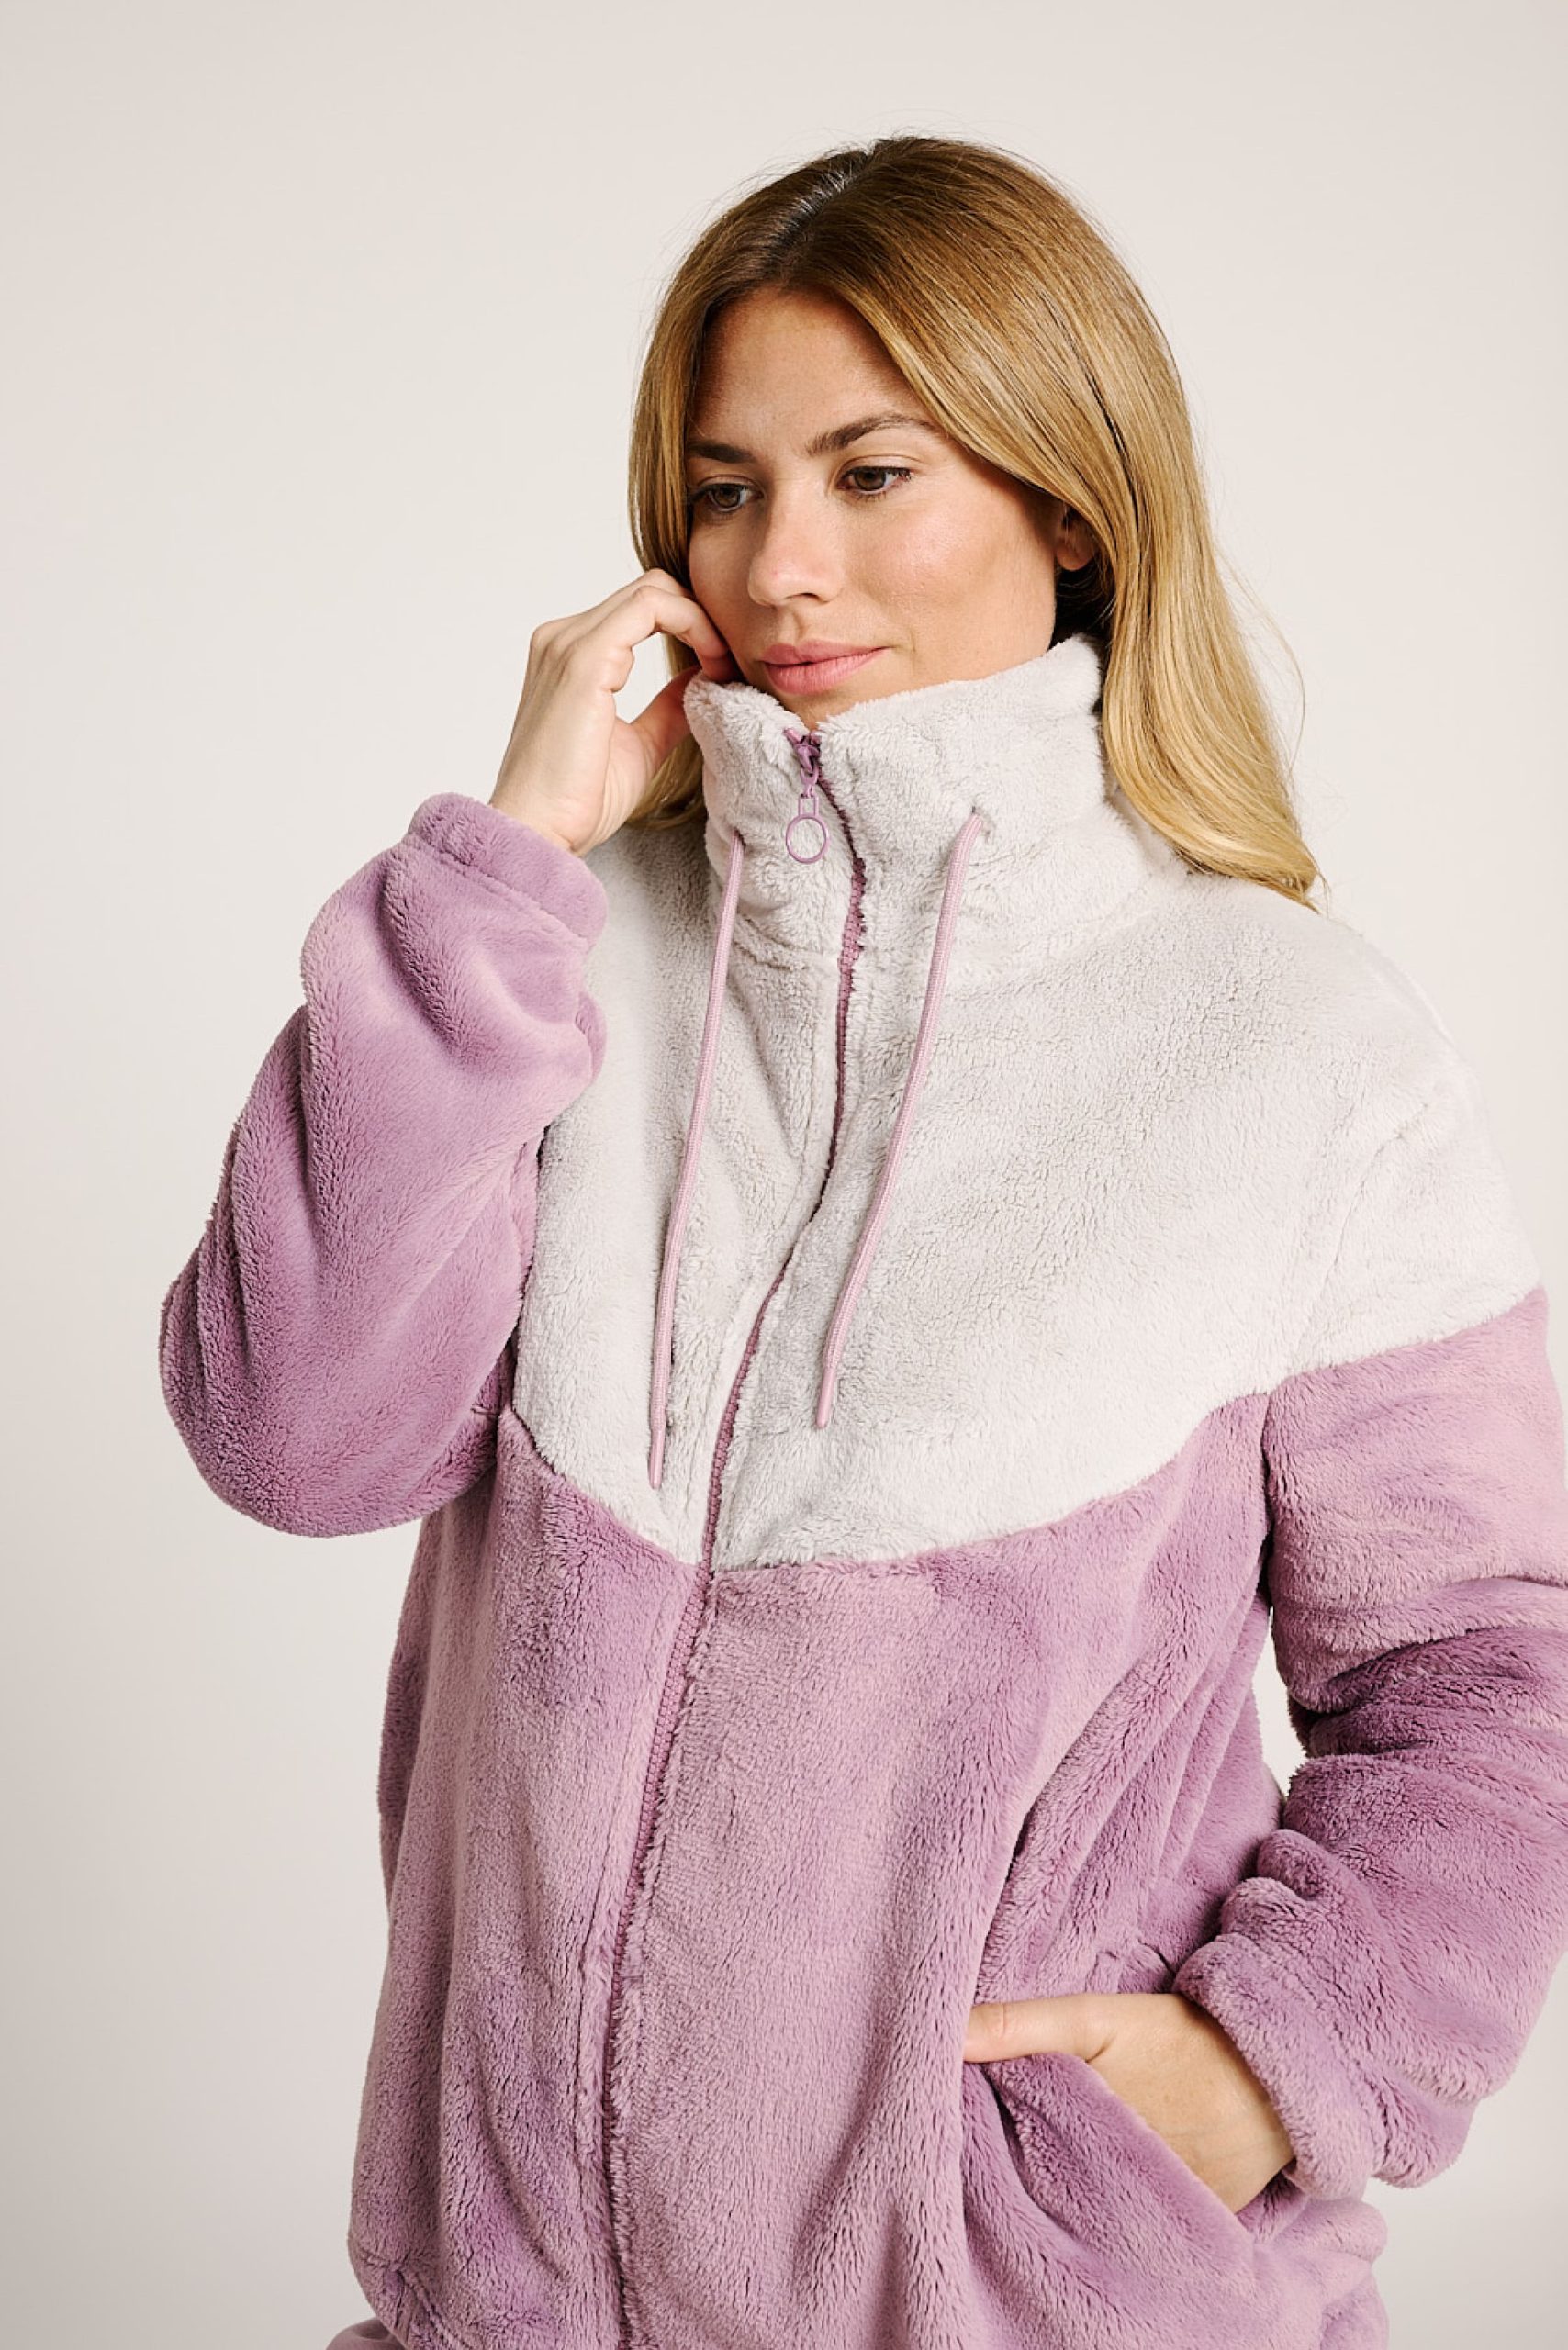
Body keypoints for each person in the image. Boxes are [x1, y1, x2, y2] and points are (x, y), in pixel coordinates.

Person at [158, 134, 1568, 2350]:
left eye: (870, 472)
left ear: (1067, 502)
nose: (779, 565)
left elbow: (1488, 1668)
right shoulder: (554, 968)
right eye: (723, 491)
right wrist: (507, 859)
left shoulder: (1295, 1049)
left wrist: (1268, 2064)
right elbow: (288, 1432)